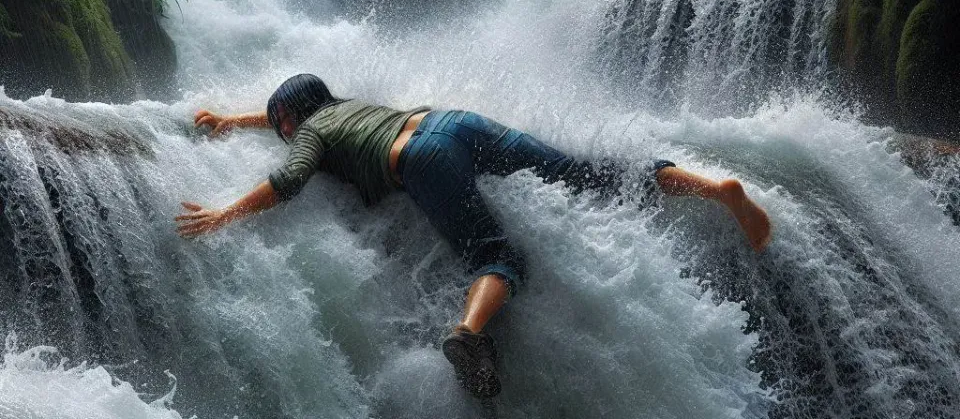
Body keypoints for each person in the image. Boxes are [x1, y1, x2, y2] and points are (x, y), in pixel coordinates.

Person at [176, 74, 772, 399]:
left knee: (496, 255)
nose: (278, 129)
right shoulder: (346, 105)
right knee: (586, 175)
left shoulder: (309, 134)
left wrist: (224, 214)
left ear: (293, 118)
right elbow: (293, 111)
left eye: (277, 122)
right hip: (452, 120)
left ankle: (467, 333)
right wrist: (236, 119)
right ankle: (717, 191)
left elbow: (285, 180)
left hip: (421, 157)